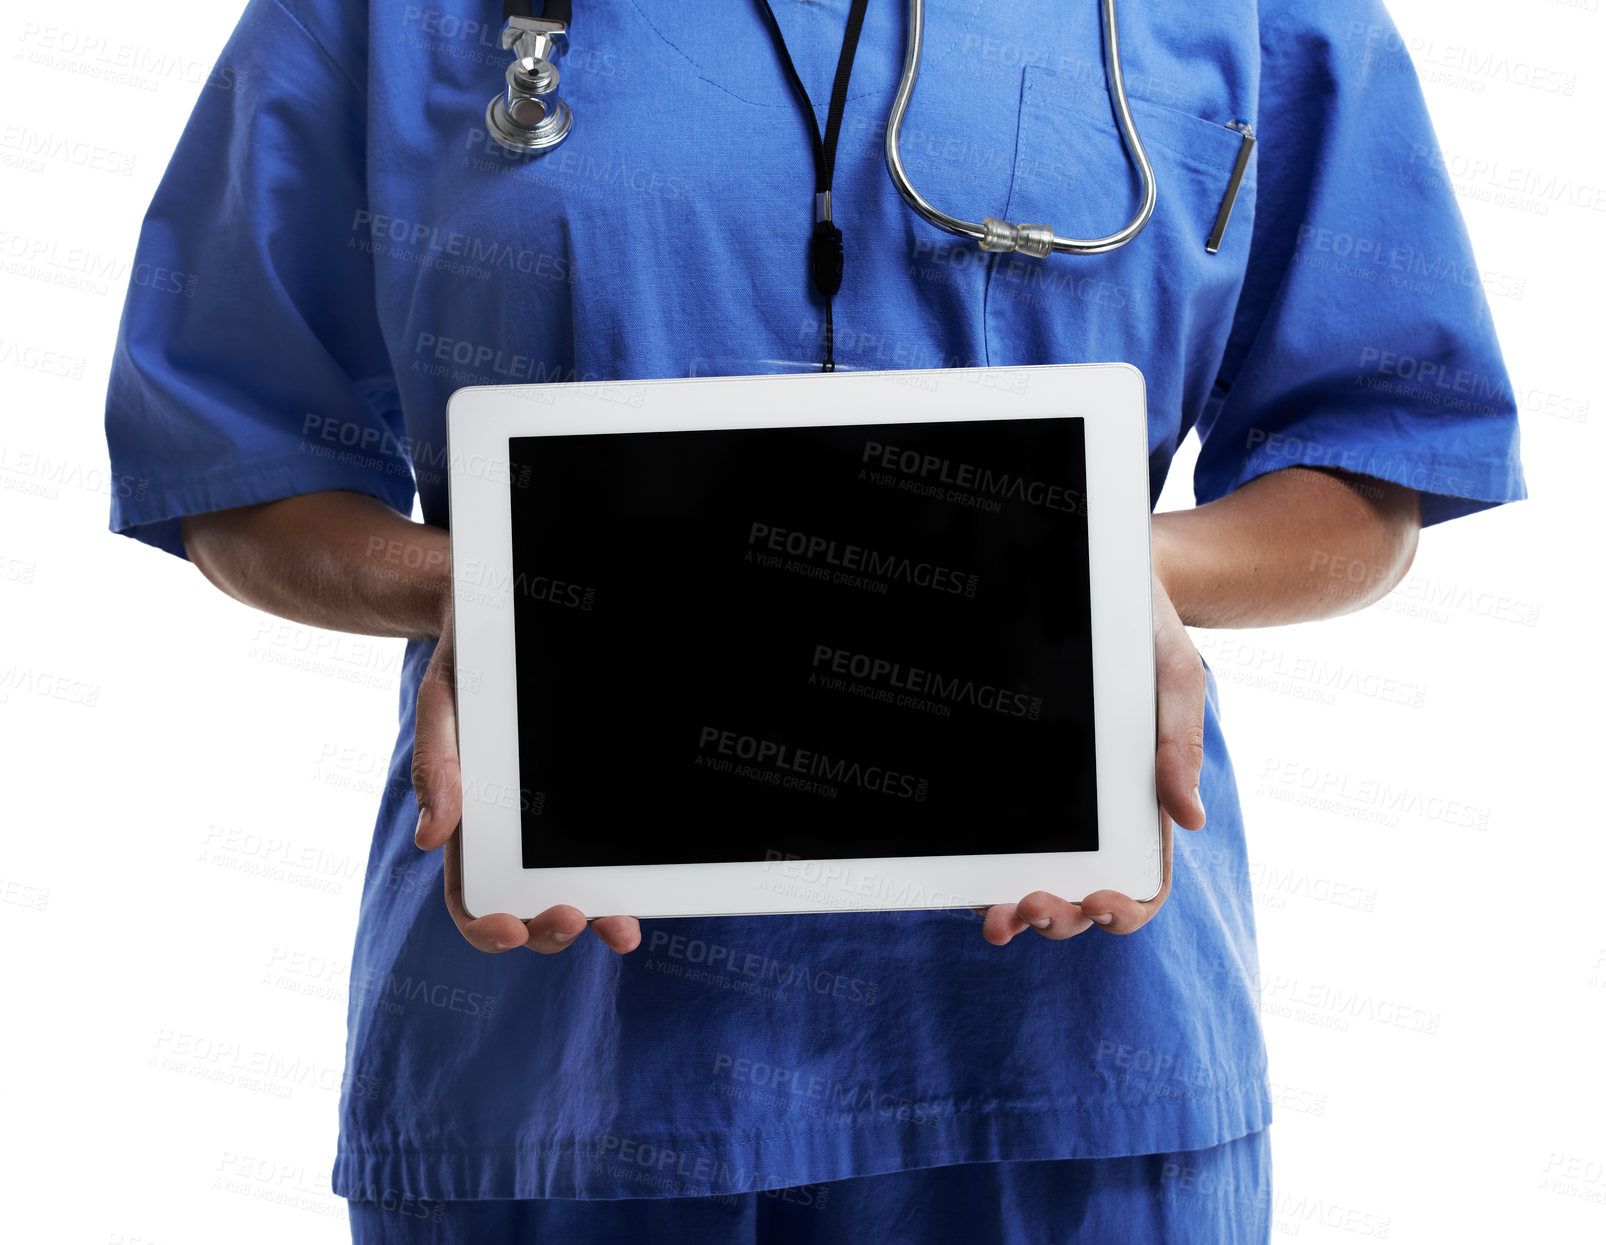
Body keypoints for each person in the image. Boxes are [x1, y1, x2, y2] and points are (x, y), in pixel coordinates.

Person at [103, 1, 1525, 1240]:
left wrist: (1098, 567)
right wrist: (496, 588)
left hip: (1064, 1039)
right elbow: (235, 460)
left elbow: (1372, 459)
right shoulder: (384, 11)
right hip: (562, 1048)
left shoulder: (1245, 7)